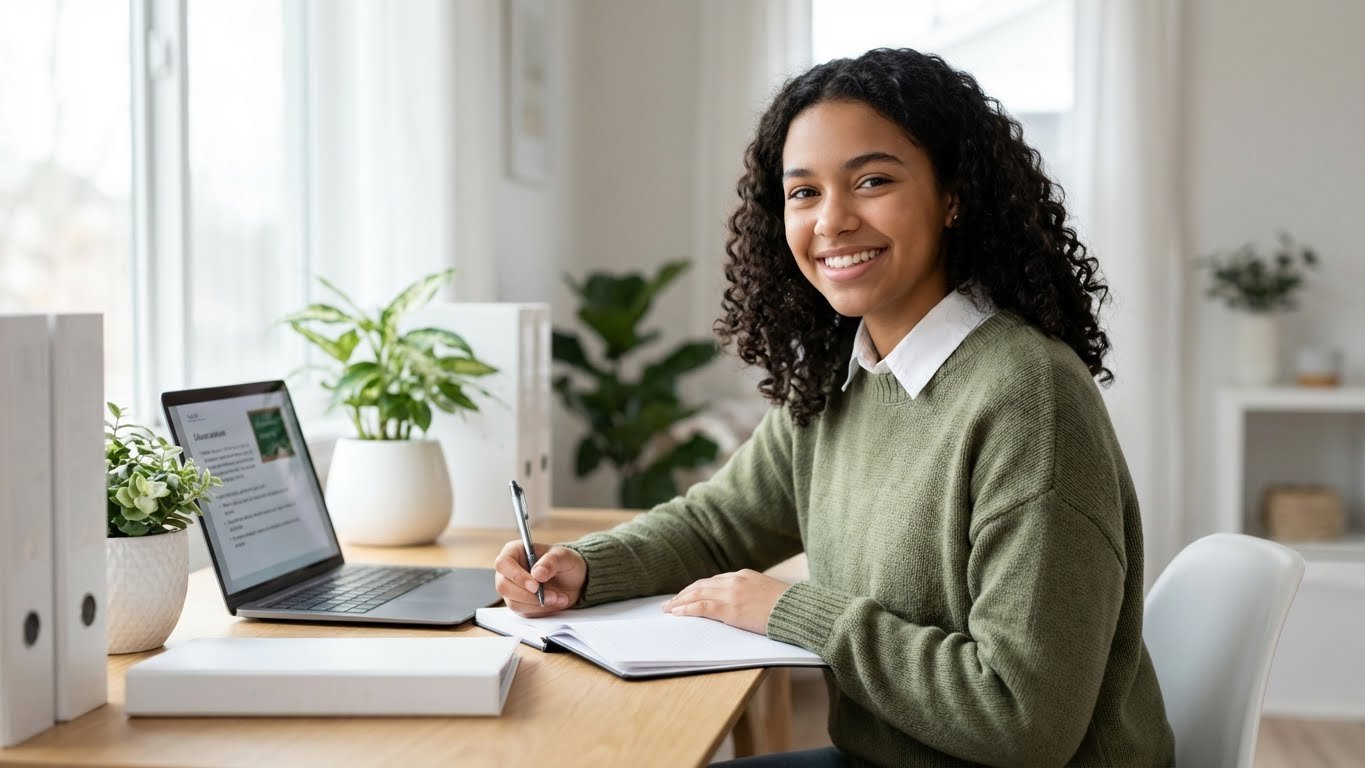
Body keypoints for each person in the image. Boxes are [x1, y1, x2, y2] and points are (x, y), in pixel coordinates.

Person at [494, 48, 1174, 767]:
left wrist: (790, 611)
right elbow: (720, 525)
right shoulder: (840, 376)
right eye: (803, 193)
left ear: (953, 194)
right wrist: (583, 567)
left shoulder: (1027, 397)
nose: (832, 221)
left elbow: (1021, 718)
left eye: (872, 180)